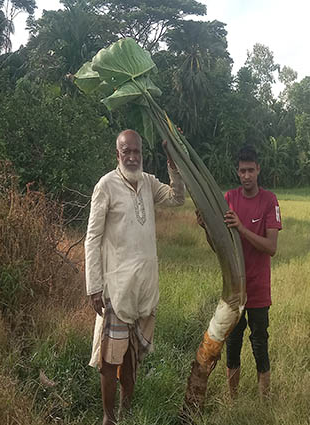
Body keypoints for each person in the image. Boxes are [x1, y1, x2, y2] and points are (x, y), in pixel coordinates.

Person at [85, 130, 184, 425]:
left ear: (142, 153)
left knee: (131, 357)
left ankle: (127, 411)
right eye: (126, 151)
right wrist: (94, 286)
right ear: (118, 154)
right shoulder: (106, 186)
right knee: (110, 358)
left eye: (136, 151)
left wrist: (173, 165)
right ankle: (108, 417)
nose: (132, 156)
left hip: (143, 288)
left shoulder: (149, 183)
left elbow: (178, 198)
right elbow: (92, 238)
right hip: (116, 288)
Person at [197, 145, 282, 399]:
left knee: (260, 345)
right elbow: (219, 249)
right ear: (238, 172)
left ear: (258, 170)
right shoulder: (229, 199)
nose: (246, 175)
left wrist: (242, 228)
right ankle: (233, 402)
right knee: (232, 347)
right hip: (235, 292)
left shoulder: (269, 200)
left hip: (258, 291)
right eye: (242, 171)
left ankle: (263, 401)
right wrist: (206, 228)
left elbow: (271, 247)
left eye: (250, 170)